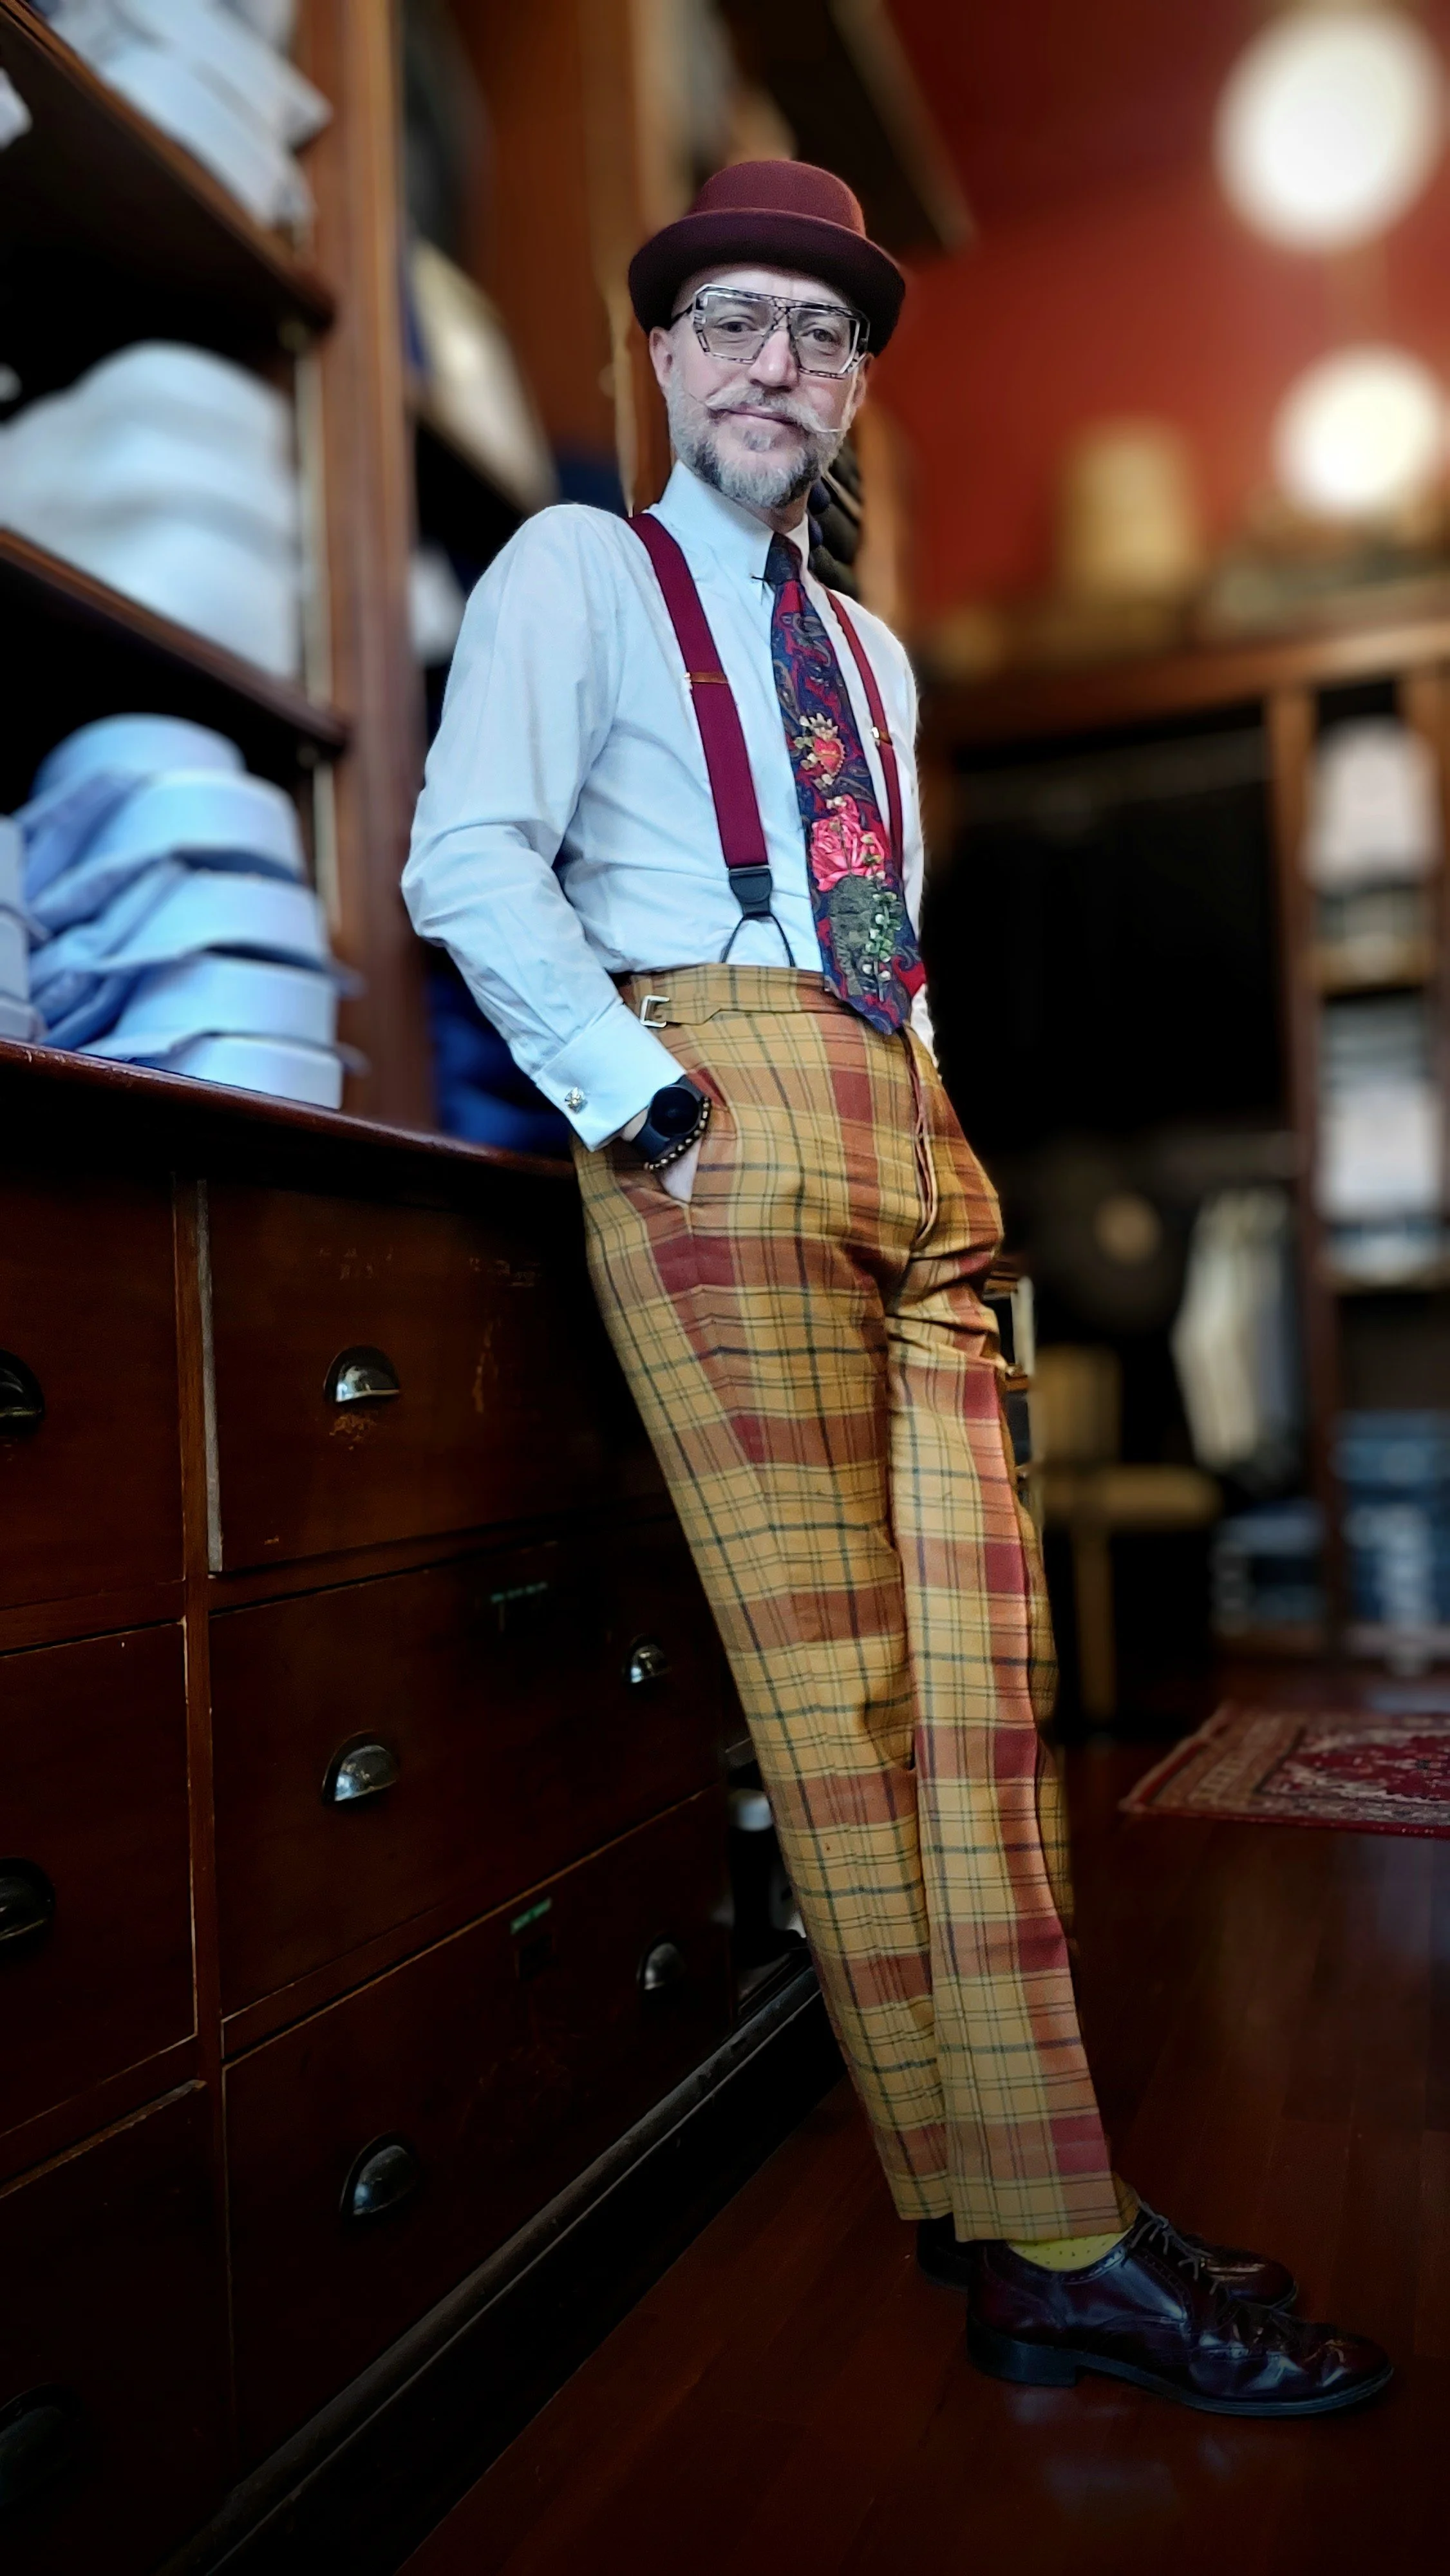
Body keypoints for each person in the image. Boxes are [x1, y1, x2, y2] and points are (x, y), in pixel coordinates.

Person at [404, 158, 1388, 2417]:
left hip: (905, 1112)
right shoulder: (577, 567)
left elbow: (893, 929)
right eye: (734, 320)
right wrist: (650, 1108)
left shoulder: (875, 658)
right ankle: (1050, 2235)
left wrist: (926, 1111)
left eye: (822, 332)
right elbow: (467, 859)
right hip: (710, 1102)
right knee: (842, 1715)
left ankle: (1018, 2198)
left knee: (981, 1683)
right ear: (665, 356)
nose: (778, 363)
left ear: (850, 382)